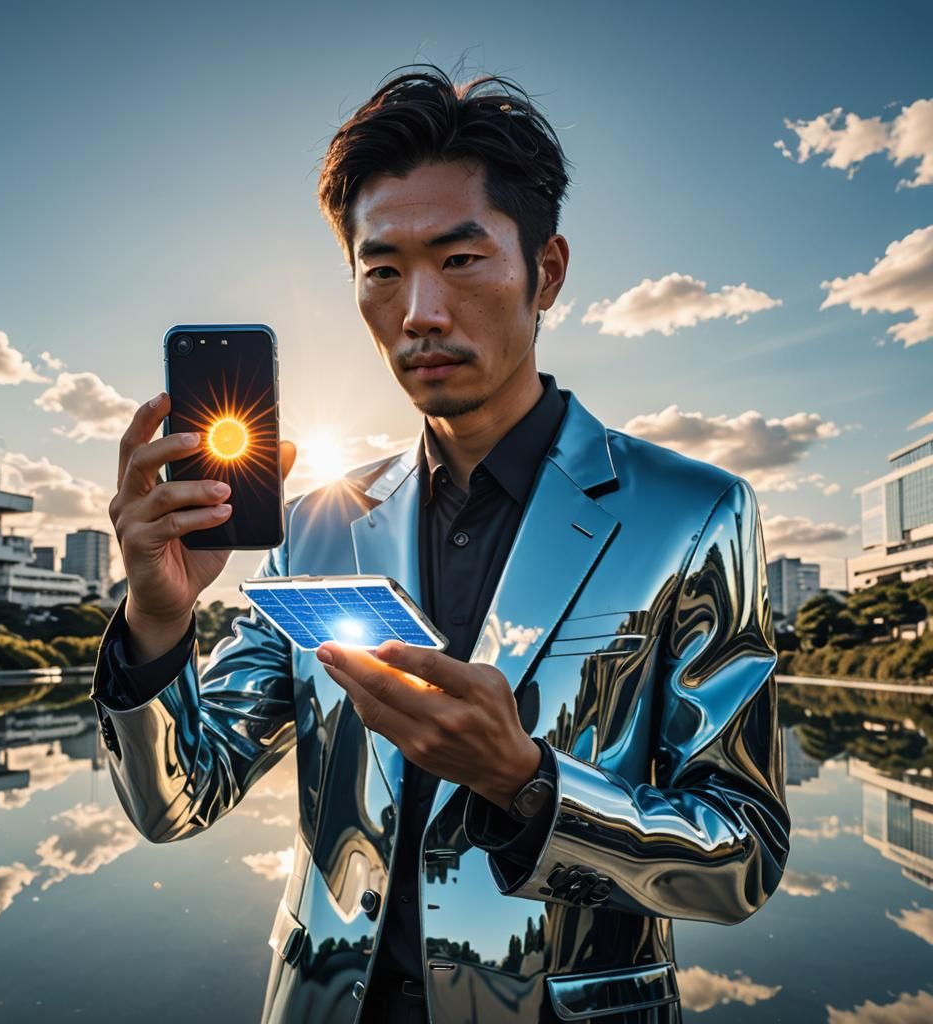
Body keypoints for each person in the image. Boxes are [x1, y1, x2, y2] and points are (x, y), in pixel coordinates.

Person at [91, 63, 790, 1024]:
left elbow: (744, 852)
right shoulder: (316, 524)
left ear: (546, 272)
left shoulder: (692, 513)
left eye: (459, 260)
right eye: (382, 271)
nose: (419, 311)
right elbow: (178, 802)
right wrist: (157, 618)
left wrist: (528, 784)